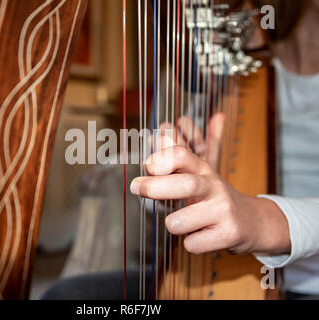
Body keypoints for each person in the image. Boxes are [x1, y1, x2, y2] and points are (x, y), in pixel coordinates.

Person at [130, 0, 319, 299]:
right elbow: (160, 208)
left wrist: (261, 221)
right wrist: (181, 184)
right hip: (217, 271)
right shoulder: (234, 69)